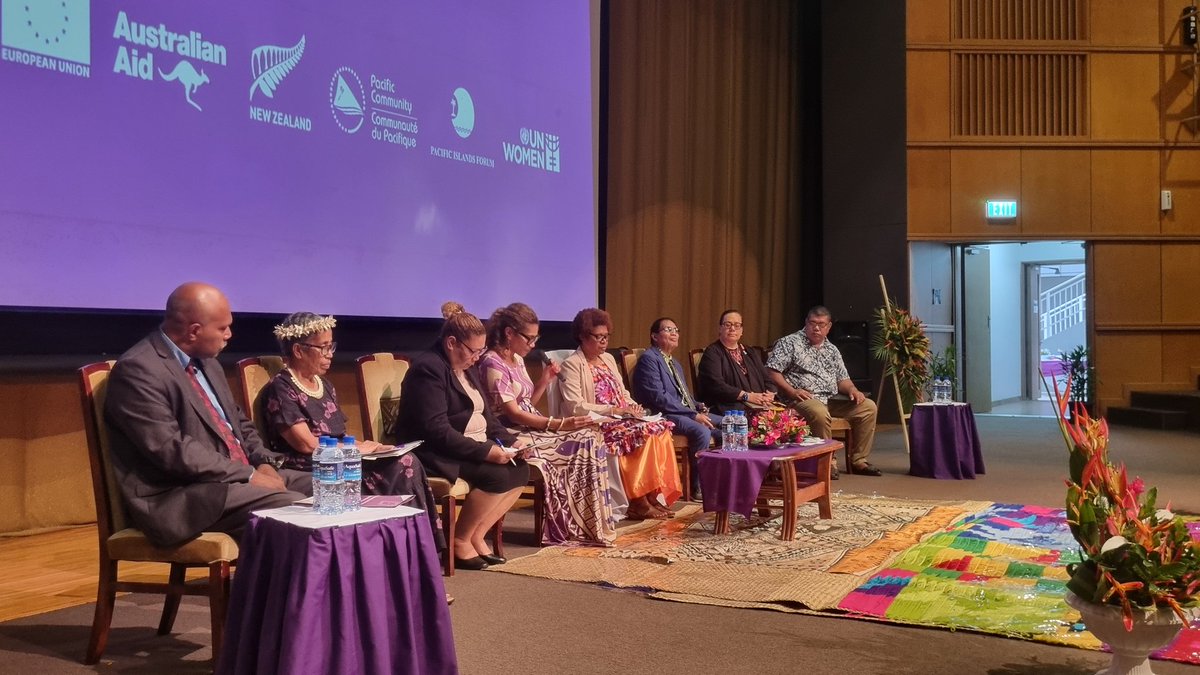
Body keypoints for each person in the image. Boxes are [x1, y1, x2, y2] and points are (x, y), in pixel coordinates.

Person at [104, 282, 311, 547]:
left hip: (234, 479)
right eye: (223, 328)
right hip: (183, 496)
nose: (229, 335)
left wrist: (263, 463)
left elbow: (240, 424)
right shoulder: (139, 370)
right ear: (193, 331)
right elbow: (172, 451)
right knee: (294, 510)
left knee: (331, 491)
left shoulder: (208, 363)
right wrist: (248, 476)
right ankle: (287, 588)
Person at [260, 311, 445, 553]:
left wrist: (375, 448)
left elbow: (339, 435)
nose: (330, 354)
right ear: (298, 350)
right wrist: (355, 449)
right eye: (323, 347)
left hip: (342, 456)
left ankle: (415, 549)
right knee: (402, 468)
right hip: (312, 464)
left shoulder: (324, 385)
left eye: (331, 346)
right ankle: (396, 550)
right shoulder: (281, 388)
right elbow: (305, 444)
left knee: (404, 459)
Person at [393, 302, 530, 571]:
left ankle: (477, 535)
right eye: (473, 351)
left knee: (521, 469)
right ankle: (459, 539)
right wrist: (487, 452)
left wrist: (512, 442)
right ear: (452, 342)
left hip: (467, 443)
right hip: (432, 450)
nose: (477, 357)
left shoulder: (465, 366)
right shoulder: (429, 368)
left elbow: (488, 418)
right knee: (497, 475)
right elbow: (436, 430)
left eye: (481, 351)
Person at [476, 302, 616, 546]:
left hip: (529, 426)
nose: (533, 344)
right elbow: (513, 413)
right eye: (529, 338)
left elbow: (526, 403)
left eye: (535, 338)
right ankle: (566, 526)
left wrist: (543, 382)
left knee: (590, 437)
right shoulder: (492, 362)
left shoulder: (517, 359)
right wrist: (558, 424)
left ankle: (584, 526)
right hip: (507, 431)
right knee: (580, 442)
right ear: (509, 333)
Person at [556, 308, 681, 520]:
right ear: (583, 336)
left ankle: (651, 496)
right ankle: (637, 500)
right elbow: (575, 406)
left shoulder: (608, 359)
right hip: (597, 422)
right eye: (598, 337)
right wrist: (614, 410)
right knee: (640, 434)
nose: (604, 342)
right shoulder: (572, 364)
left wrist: (633, 407)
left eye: (606, 336)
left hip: (621, 416)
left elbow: (622, 393)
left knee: (660, 428)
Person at [766, 305, 881, 476]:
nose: (816, 328)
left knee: (868, 407)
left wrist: (853, 389)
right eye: (812, 323)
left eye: (821, 324)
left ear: (829, 327)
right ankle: (827, 462)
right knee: (819, 411)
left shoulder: (831, 349)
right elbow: (772, 371)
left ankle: (859, 460)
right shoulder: (789, 343)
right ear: (806, 322)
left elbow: (842, 379)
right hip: (801, 398)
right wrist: (792, 391)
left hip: (832, 398)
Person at [630, 317, 721, 500]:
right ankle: (697, 487)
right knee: (701, 431)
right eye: (668, 329)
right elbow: (659, 398)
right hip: (663, 414)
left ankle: (720, 481)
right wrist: (693, 415)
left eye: (676, 330)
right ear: (654, 336)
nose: (674, 333)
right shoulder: (650, 359)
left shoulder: (674, 363)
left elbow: (683, 396)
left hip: (682, 411)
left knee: (730, 424)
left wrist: (698, 406)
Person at [696, 309, 778, 413]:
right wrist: (746, 396)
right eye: (727, 324)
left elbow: (767, 379)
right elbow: (716, 385)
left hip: (760, 403)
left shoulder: (750, 351)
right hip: (729, 406)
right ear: (720, 328)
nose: (732, 328)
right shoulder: (712, 353)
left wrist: (770, 394)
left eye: (737, 325)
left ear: (742, 331)